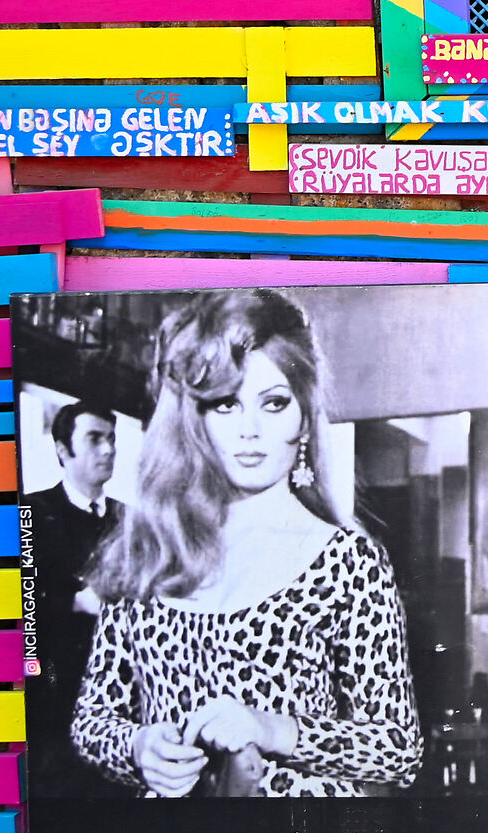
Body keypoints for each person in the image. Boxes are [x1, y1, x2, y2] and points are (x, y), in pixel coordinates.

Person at [73, 290, 422, 798]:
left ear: (304, 417)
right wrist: (137, 745)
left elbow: (398, 750)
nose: (249, 430)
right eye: (226, 404)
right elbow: (92, 719)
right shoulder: (148, 550)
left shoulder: (348, 562)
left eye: (273, 403)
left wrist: (271, 729)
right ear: (195, 420)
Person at [25, 399, 122, 795]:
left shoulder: (129, 520)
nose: (108, 449)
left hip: (117, 695)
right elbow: (20, 605)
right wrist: (74, 603)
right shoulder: (32, 513)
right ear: (63, 450)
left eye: (112, 439)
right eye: (95, 439)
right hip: (53, 689)